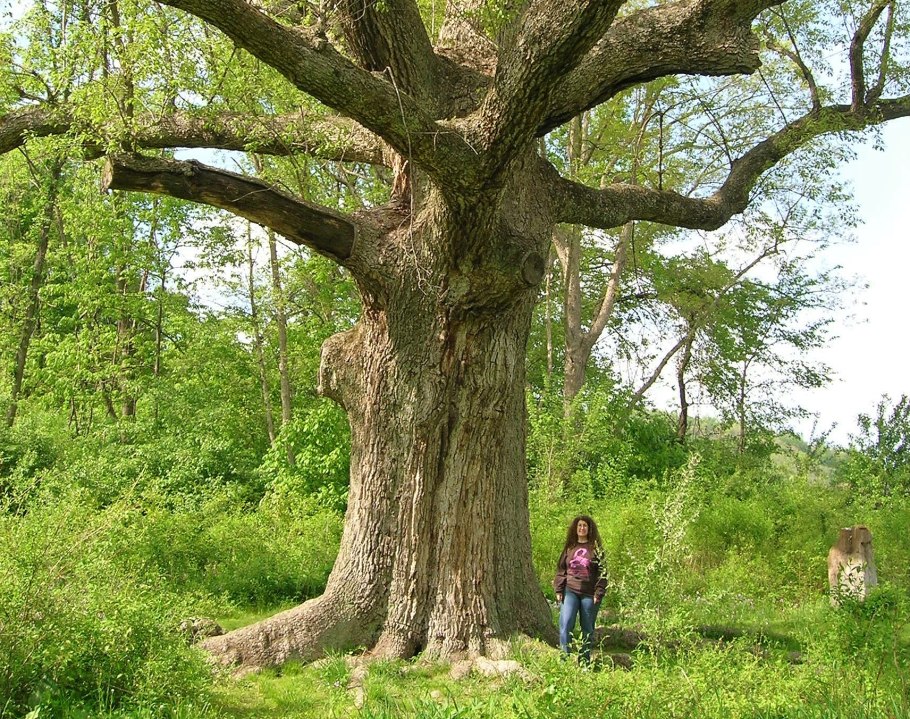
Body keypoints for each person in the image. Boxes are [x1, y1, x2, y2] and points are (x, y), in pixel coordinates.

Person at [553, 514, 607, 663]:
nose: (582, 528)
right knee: (566, 623)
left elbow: (603, 572)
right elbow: (561, 569)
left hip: (589, 594)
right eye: (579, 525)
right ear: (575, 528)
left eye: (584, 526)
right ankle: (564, 659)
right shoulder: (570, 547)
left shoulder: (595, 549)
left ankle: (584, 661)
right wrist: (559, 589)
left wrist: (599, 592)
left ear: (589, 529)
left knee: (587, 628)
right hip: (570, 591)